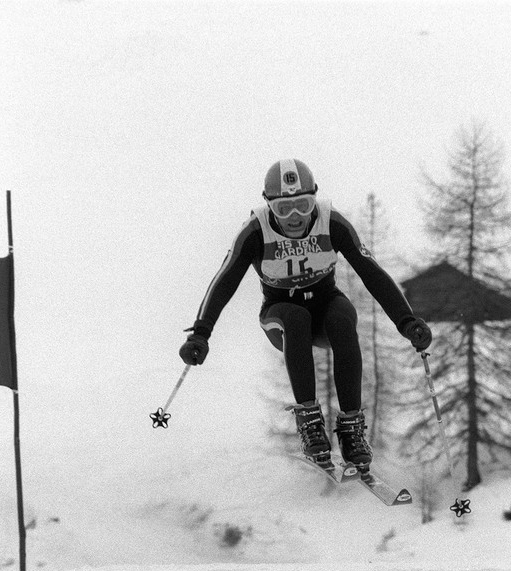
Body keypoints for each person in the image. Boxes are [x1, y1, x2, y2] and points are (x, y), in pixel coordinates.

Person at [180, 159, 432, 468]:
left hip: (325, 304)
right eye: (283, 209)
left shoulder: (332, 223)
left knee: (342, 319)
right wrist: (201, 333)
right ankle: (310, 423)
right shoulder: (255, 232)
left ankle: (351, 430)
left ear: (315, 199)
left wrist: (407, 322)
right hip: (280, 313)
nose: (295, 217)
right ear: (268, 205)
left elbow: (372, 273)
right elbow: (225, 279)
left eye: (303, 204)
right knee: (296, 319)